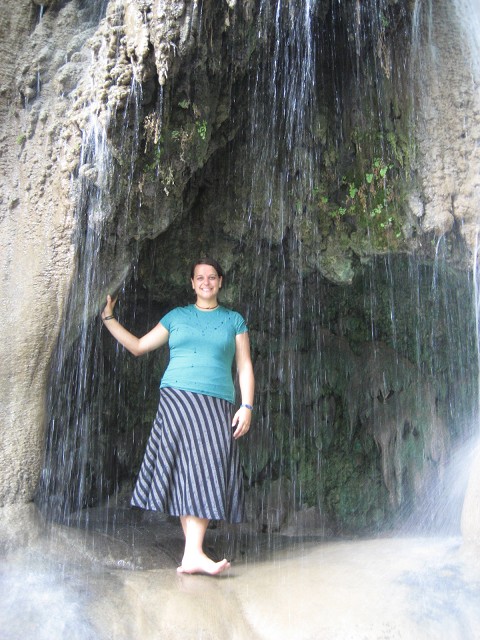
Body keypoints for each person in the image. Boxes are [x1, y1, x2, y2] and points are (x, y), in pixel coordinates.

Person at [101, 258, 254, 575]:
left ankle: (192, 555)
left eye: (212, 277)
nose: (206, 282)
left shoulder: (234, 321)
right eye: (200, 277)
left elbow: (244, 366)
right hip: (177, 399)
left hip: (217, 402)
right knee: (187, 471)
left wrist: (247, 406)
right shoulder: (176, 317)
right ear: (192, 283)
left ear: (220, 282)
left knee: (206, 469)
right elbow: (139, 346)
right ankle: (193, 554)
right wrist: (108, 318)